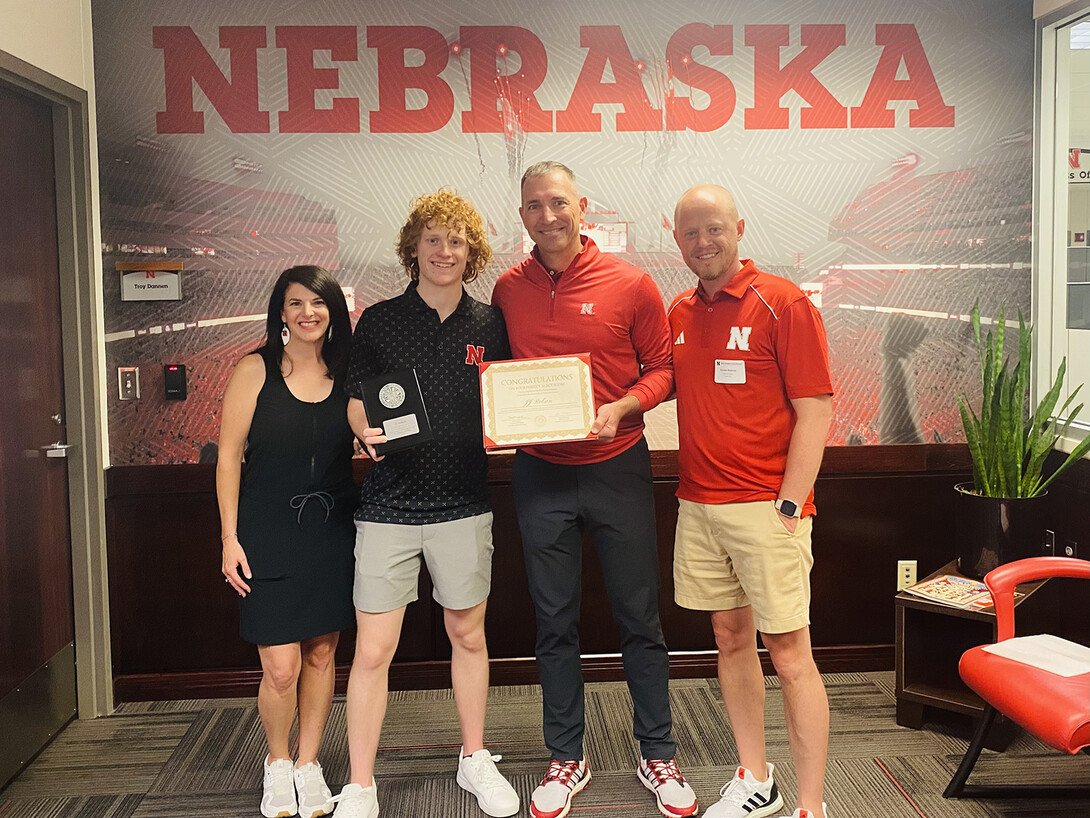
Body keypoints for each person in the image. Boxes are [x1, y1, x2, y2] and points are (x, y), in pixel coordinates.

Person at [491, 161, 698, 818]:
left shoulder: (631, 284)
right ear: (521, 214)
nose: (547, 216)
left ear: (581, 205)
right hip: (539, 474)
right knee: (554, 621)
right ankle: (566, 755)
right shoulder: (506, 289)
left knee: (640, 618)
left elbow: (663, 370)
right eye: (533, 206)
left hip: (617, 467)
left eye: (557, 202)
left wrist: (624, 406)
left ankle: (658, 751)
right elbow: (496, 374)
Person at [330, 190, 518, 818]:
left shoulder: (491, 324)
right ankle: (360, 782)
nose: (445, 251)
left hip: (464, 503)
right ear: (414, 248)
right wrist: (362, 427)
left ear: (473, 253)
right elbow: (354, 395)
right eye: (434, 239)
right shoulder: (380, 319)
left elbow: (512, 401)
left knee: (468, 633)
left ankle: (474, 758)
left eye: (458, 241)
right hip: (388, 505)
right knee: (373, 649)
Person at [668, 184, 834, 818]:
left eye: (714, 229)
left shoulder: (782, 302)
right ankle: (755, 780)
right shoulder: (680, 309)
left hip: (768, 510)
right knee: (729, 637)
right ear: (676, 238)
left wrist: (790, 505)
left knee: (791, 655)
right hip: (699, 506)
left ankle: (811, 805)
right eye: (690, 233)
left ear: (738, 228)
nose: (703, 242)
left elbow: (815, 410)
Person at [218, 265, 357, 818]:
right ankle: (278, 764)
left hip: (331, 533)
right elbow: (229, 457)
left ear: (332, 311)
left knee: (322, 654)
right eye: (296, 303)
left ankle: (309, 763)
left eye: (318, 303)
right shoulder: (253, 370)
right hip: (266, 532)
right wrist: (229, 537)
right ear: (280, 311)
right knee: (280, 666)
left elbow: (372, 435)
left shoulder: (346, 372)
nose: (307, 313)